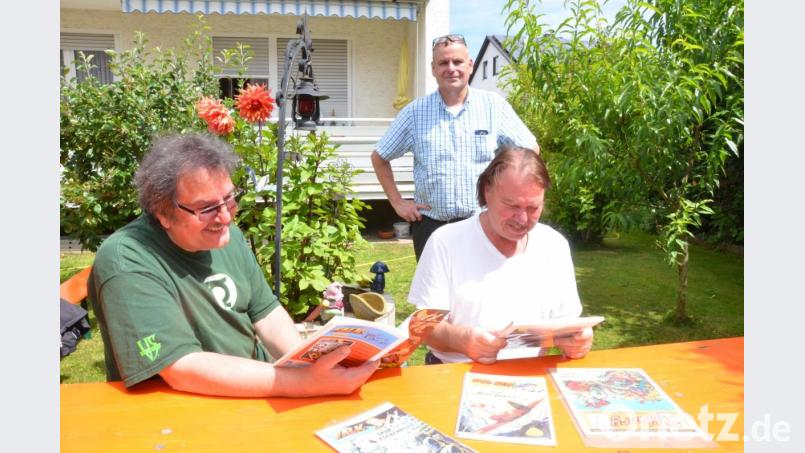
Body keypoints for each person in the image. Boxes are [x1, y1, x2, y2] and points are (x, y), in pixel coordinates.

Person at [89, 133, 378, 397]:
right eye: (207, 208)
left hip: (256, 387)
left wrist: (309, 364)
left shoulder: (227, 237)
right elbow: (181, 369)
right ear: (163, 212)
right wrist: (303, 383)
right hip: (187, 410)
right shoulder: (127, 259)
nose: (226, 217)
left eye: (229, 198)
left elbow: (267, 315)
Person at [407, 145, 593, 364]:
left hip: (531, 373)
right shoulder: (446, 241)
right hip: (455, 372)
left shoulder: (553, 245)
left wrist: (577, 339)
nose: (522, 219)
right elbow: (423, 327)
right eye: (511, 205)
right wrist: (462, 340)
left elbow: (567, 322)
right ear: (487, 191)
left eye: (533, 208)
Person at [371, 34, 539, 260]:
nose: (451, 68)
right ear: (433, 69)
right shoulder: (414, 113)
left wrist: (508, 195)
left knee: (483, 282)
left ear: (470, 65)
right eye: (443, 63)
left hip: (484, 225)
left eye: (457, 62)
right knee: (434, 284)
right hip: (431, 227)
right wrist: (398, 203)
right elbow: (380, 157)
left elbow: (530, 151)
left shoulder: (493, 106)